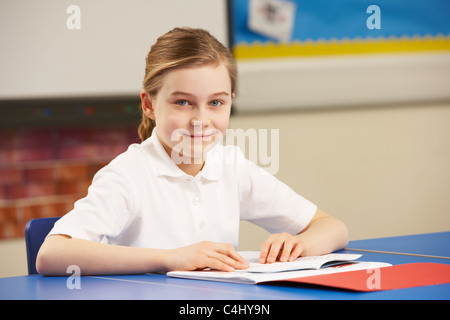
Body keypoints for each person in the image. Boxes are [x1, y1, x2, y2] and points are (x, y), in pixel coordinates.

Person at [36, 27, 348, 276]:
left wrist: (300, 245)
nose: (201, 120)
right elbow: (52, 255)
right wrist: (171, 258)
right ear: (149, 105)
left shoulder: (231, 166)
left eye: (216, 103)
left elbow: (333, 228)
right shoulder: (128, 176)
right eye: (183, 102)